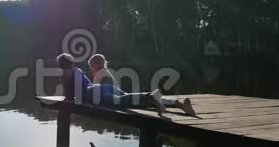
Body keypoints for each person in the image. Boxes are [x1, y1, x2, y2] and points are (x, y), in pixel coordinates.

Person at [57, 53, 196, 116]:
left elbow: (69, 97)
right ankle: (179, 104)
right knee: (131, 99)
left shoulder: (67, 73)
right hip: (102, 88)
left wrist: (65, 88)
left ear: (62, 65)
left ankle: (151, 96)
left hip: (93, 93)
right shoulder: (78, 70)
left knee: (119, 102)